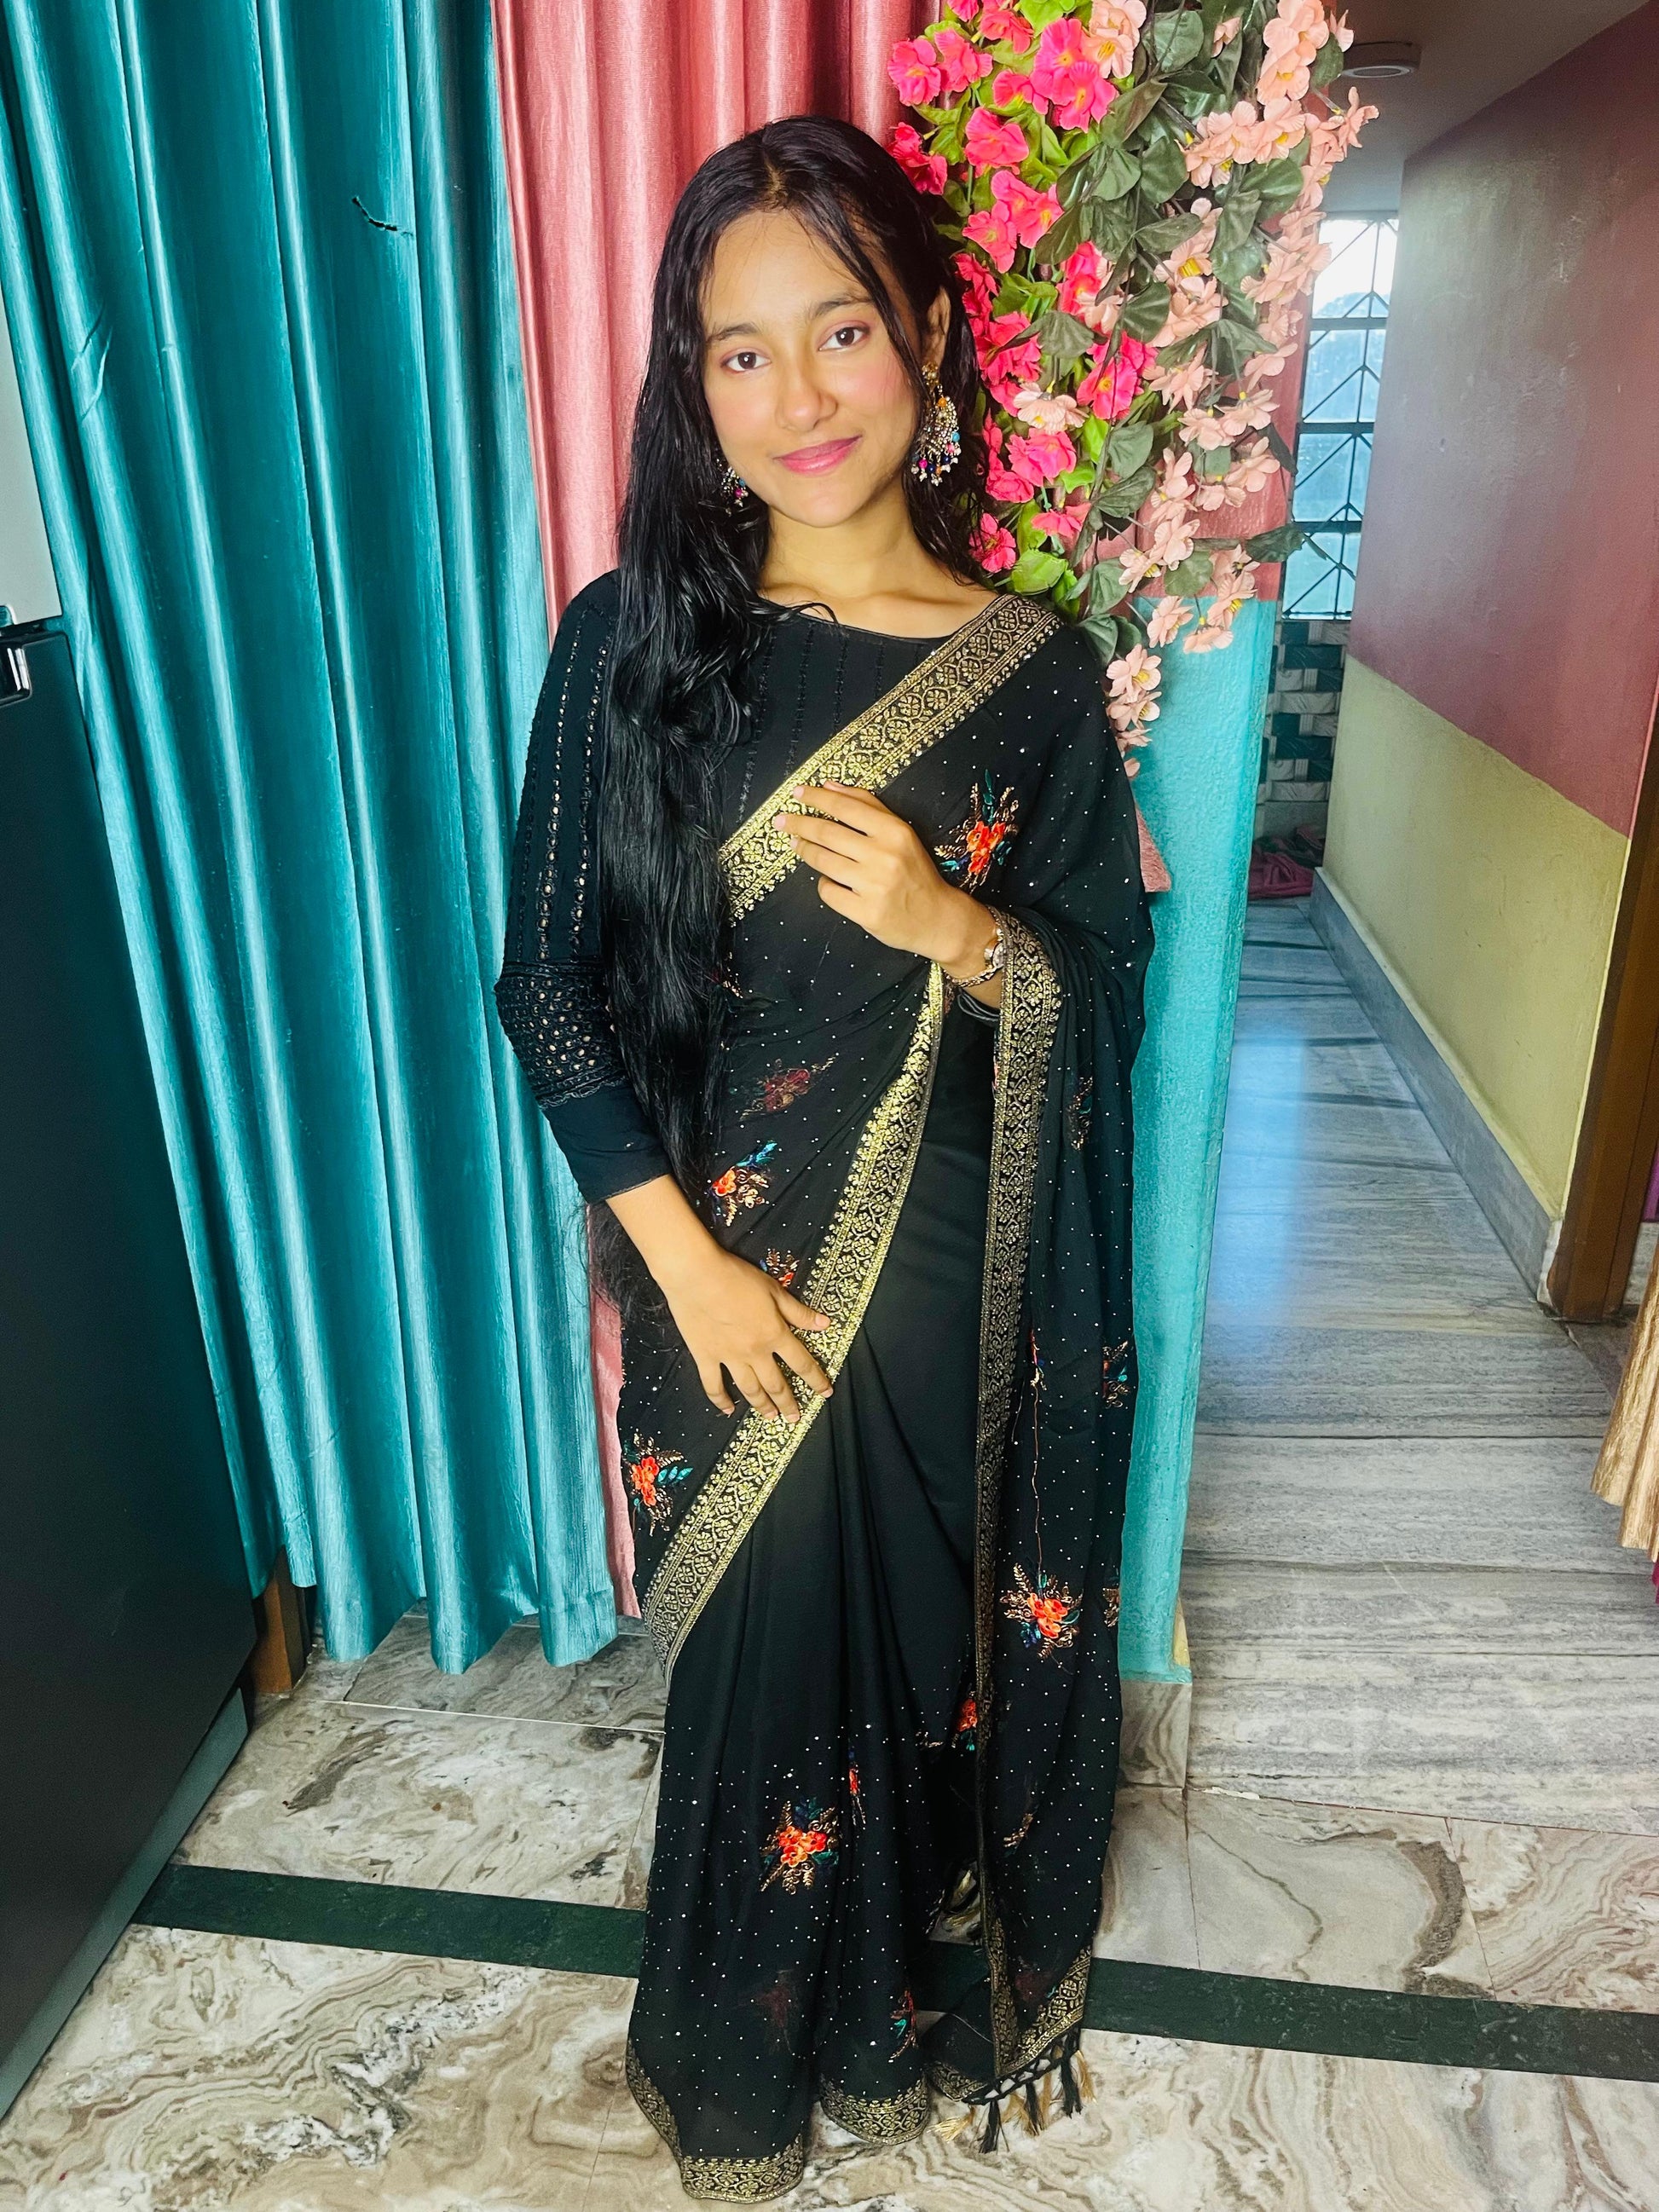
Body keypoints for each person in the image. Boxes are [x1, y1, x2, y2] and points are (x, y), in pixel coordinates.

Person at [496, 113, 1152, 2203]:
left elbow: (1101, 984)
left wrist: (960, 929)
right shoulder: (628, 638)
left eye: (839, 328)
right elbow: (544, 987)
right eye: (738, 351)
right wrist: (686, 1267)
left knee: (899, 1650)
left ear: (926, 337)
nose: (797, 394)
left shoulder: (1029, 672)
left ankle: (884, 2020)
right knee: (761, 1659)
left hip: (949, 1273)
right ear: (691, 388)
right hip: (722, 1263)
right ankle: (740, 2055)